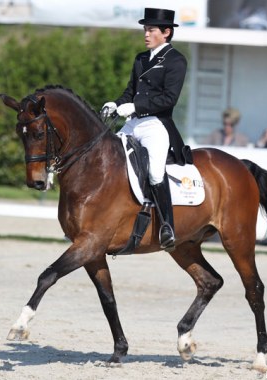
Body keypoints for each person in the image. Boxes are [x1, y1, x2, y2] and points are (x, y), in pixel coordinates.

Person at [102, 8, 189, 252]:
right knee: (108, 161)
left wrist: (135, 106)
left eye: (151, 30)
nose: (146, 34)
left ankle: (167, 226)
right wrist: (116, 103)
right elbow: (130, 91)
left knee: (154, 173)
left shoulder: (176, 60)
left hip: (156, 125)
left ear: (166, 32)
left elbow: (169, 99)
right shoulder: (141, 59)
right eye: (145, 30)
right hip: (133, 123)